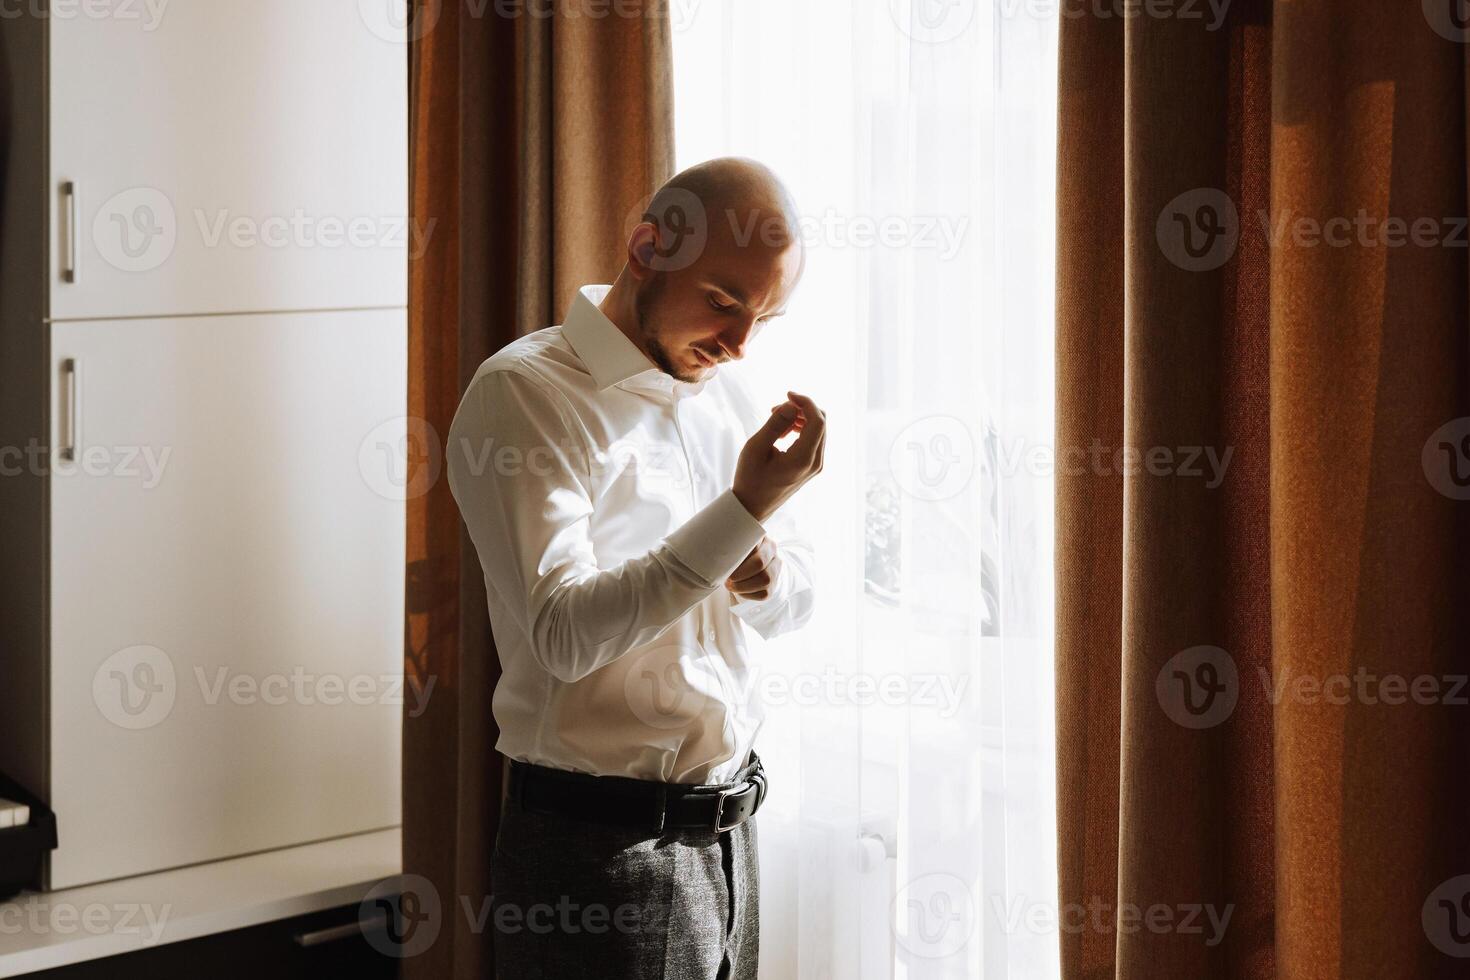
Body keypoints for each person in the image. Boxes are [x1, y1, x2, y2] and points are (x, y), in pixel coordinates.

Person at [446, 156, 825, 979]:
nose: (738, 344)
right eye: (724, 303)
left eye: (766, 318)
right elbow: (563, 635)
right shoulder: (526, 394)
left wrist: (764, 572)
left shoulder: (724, 393)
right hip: (597, 855)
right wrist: (740, 514)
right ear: (648, 247)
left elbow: (792, 603)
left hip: (732, 841)